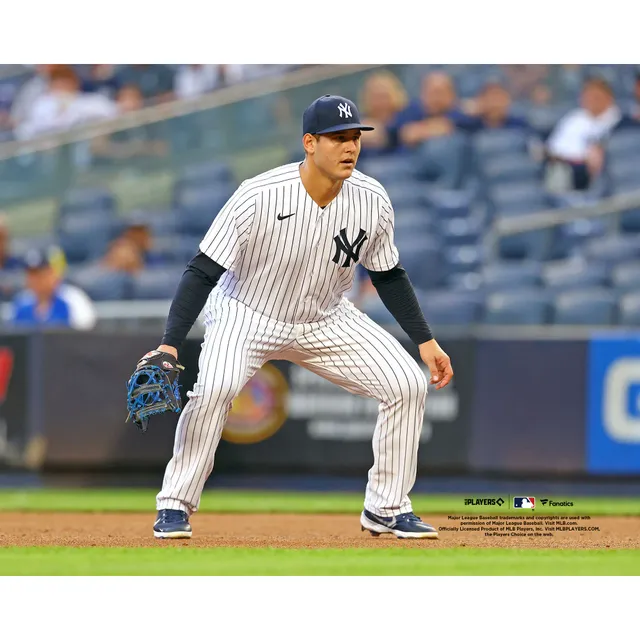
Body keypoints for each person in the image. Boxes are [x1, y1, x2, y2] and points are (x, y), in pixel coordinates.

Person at [131, 94, 454, 541]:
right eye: (338, 138)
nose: (350, 147)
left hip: (327, 319)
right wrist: (170, 341)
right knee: (216, 388)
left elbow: (389, 276)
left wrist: (426, 341)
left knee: (408, 384)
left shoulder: (372, 198)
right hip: (247, 312)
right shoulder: (258, 194)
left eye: (355, 137)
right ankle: (174, 504)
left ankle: (386, 507)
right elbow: (202, 270)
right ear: (309, 142)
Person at [544, 77, 630, 191]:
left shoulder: (622, 121)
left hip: (607, 171)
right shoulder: (573, 119)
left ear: (609, 98)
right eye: (587, 96)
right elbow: (552, 150)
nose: (591, 100)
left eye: (596, 96)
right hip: (571, 169)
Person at [9, 246, 97, 330]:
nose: (36, 280)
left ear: (54, 273)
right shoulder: (21, 302)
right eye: (31, 274)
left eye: (41, 274)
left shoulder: (73, 299)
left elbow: (86, 337)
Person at [390, 71, 476, 151]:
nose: (436, 98)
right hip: (400, 159)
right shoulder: (411, 110)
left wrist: (425, 130)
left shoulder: (461, 114)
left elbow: (456, 124)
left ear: (452, 94)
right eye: (431, 93)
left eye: (440, 92)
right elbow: (390, 132)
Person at [357, 70, 409, 157]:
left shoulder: (406, 114)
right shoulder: (359, 120)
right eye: (375, 97)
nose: (380, 102)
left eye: (384, 96)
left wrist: (381, 133)